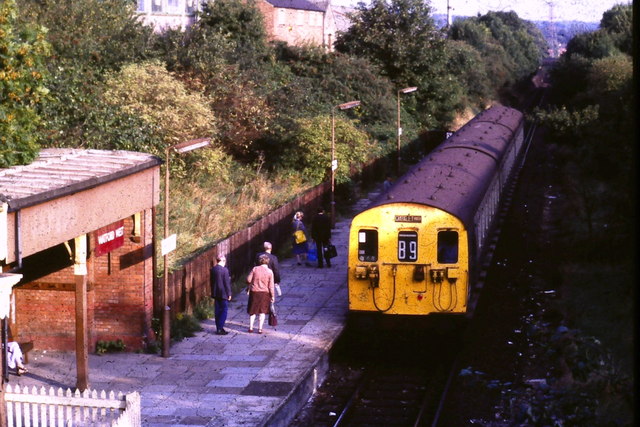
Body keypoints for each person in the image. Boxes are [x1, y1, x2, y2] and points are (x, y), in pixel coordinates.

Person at [246, 254, 275, 334]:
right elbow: (271, 286)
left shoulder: (255, 269)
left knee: (253, 311)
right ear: (267, 262)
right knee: (262, 311)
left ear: (260, 261)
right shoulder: (270, 272)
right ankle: (260, 329)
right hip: (264, 293)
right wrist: (272, 296)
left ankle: (251, 327)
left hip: (254, 292)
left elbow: (248, 279)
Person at [210, 255, 232, 335]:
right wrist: (229, 293)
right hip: (223, 293)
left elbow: (212, 282)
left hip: (216, 293)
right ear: (223, 261)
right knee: (224, 311)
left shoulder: (213, 269)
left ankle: (218, 327)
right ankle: (220, 327)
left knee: (217, 311)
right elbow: (226, 283)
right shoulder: (224, 270)